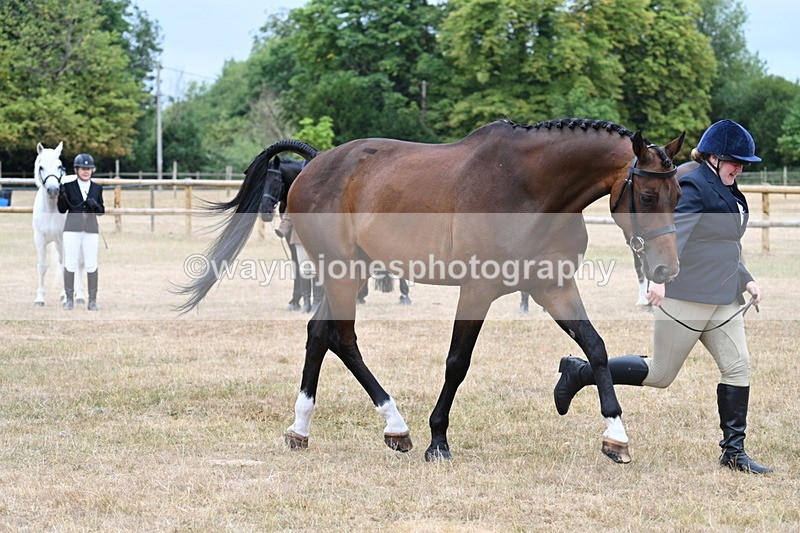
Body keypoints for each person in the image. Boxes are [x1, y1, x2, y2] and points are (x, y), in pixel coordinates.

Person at [553, 119, 772, 474]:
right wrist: (660, 280)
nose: (740, 167)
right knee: (660, 373)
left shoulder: (729, 188)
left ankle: (734, 452)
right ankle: (580, 373)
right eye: (734, 160)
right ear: (713, 158)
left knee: (738, 367)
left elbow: (727, 242)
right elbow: (671, 235)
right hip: (687, 295)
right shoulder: (693, 185)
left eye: (744, 161)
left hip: (724, 296)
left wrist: (746, 279)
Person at [57, 153, 104, 311]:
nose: (86, 171)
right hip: (72, 229)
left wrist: (95, 205)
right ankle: (69, 299)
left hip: (91, 230)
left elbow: (101, 211)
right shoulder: (69, 187)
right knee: (70, 262)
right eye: (83, 169)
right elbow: (62, 209)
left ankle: (92, 301)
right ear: (76, 170)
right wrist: (61, 196)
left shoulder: (97, 188)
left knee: (91, 263)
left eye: (89, 169)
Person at [275, 212, 321, 313]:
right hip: (299, 237)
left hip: (318, 236)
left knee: (316, 269)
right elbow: (288, 213)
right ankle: (306, 302)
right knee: (304, 269)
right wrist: (283, 229)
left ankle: (317, 302)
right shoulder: (296, 196)